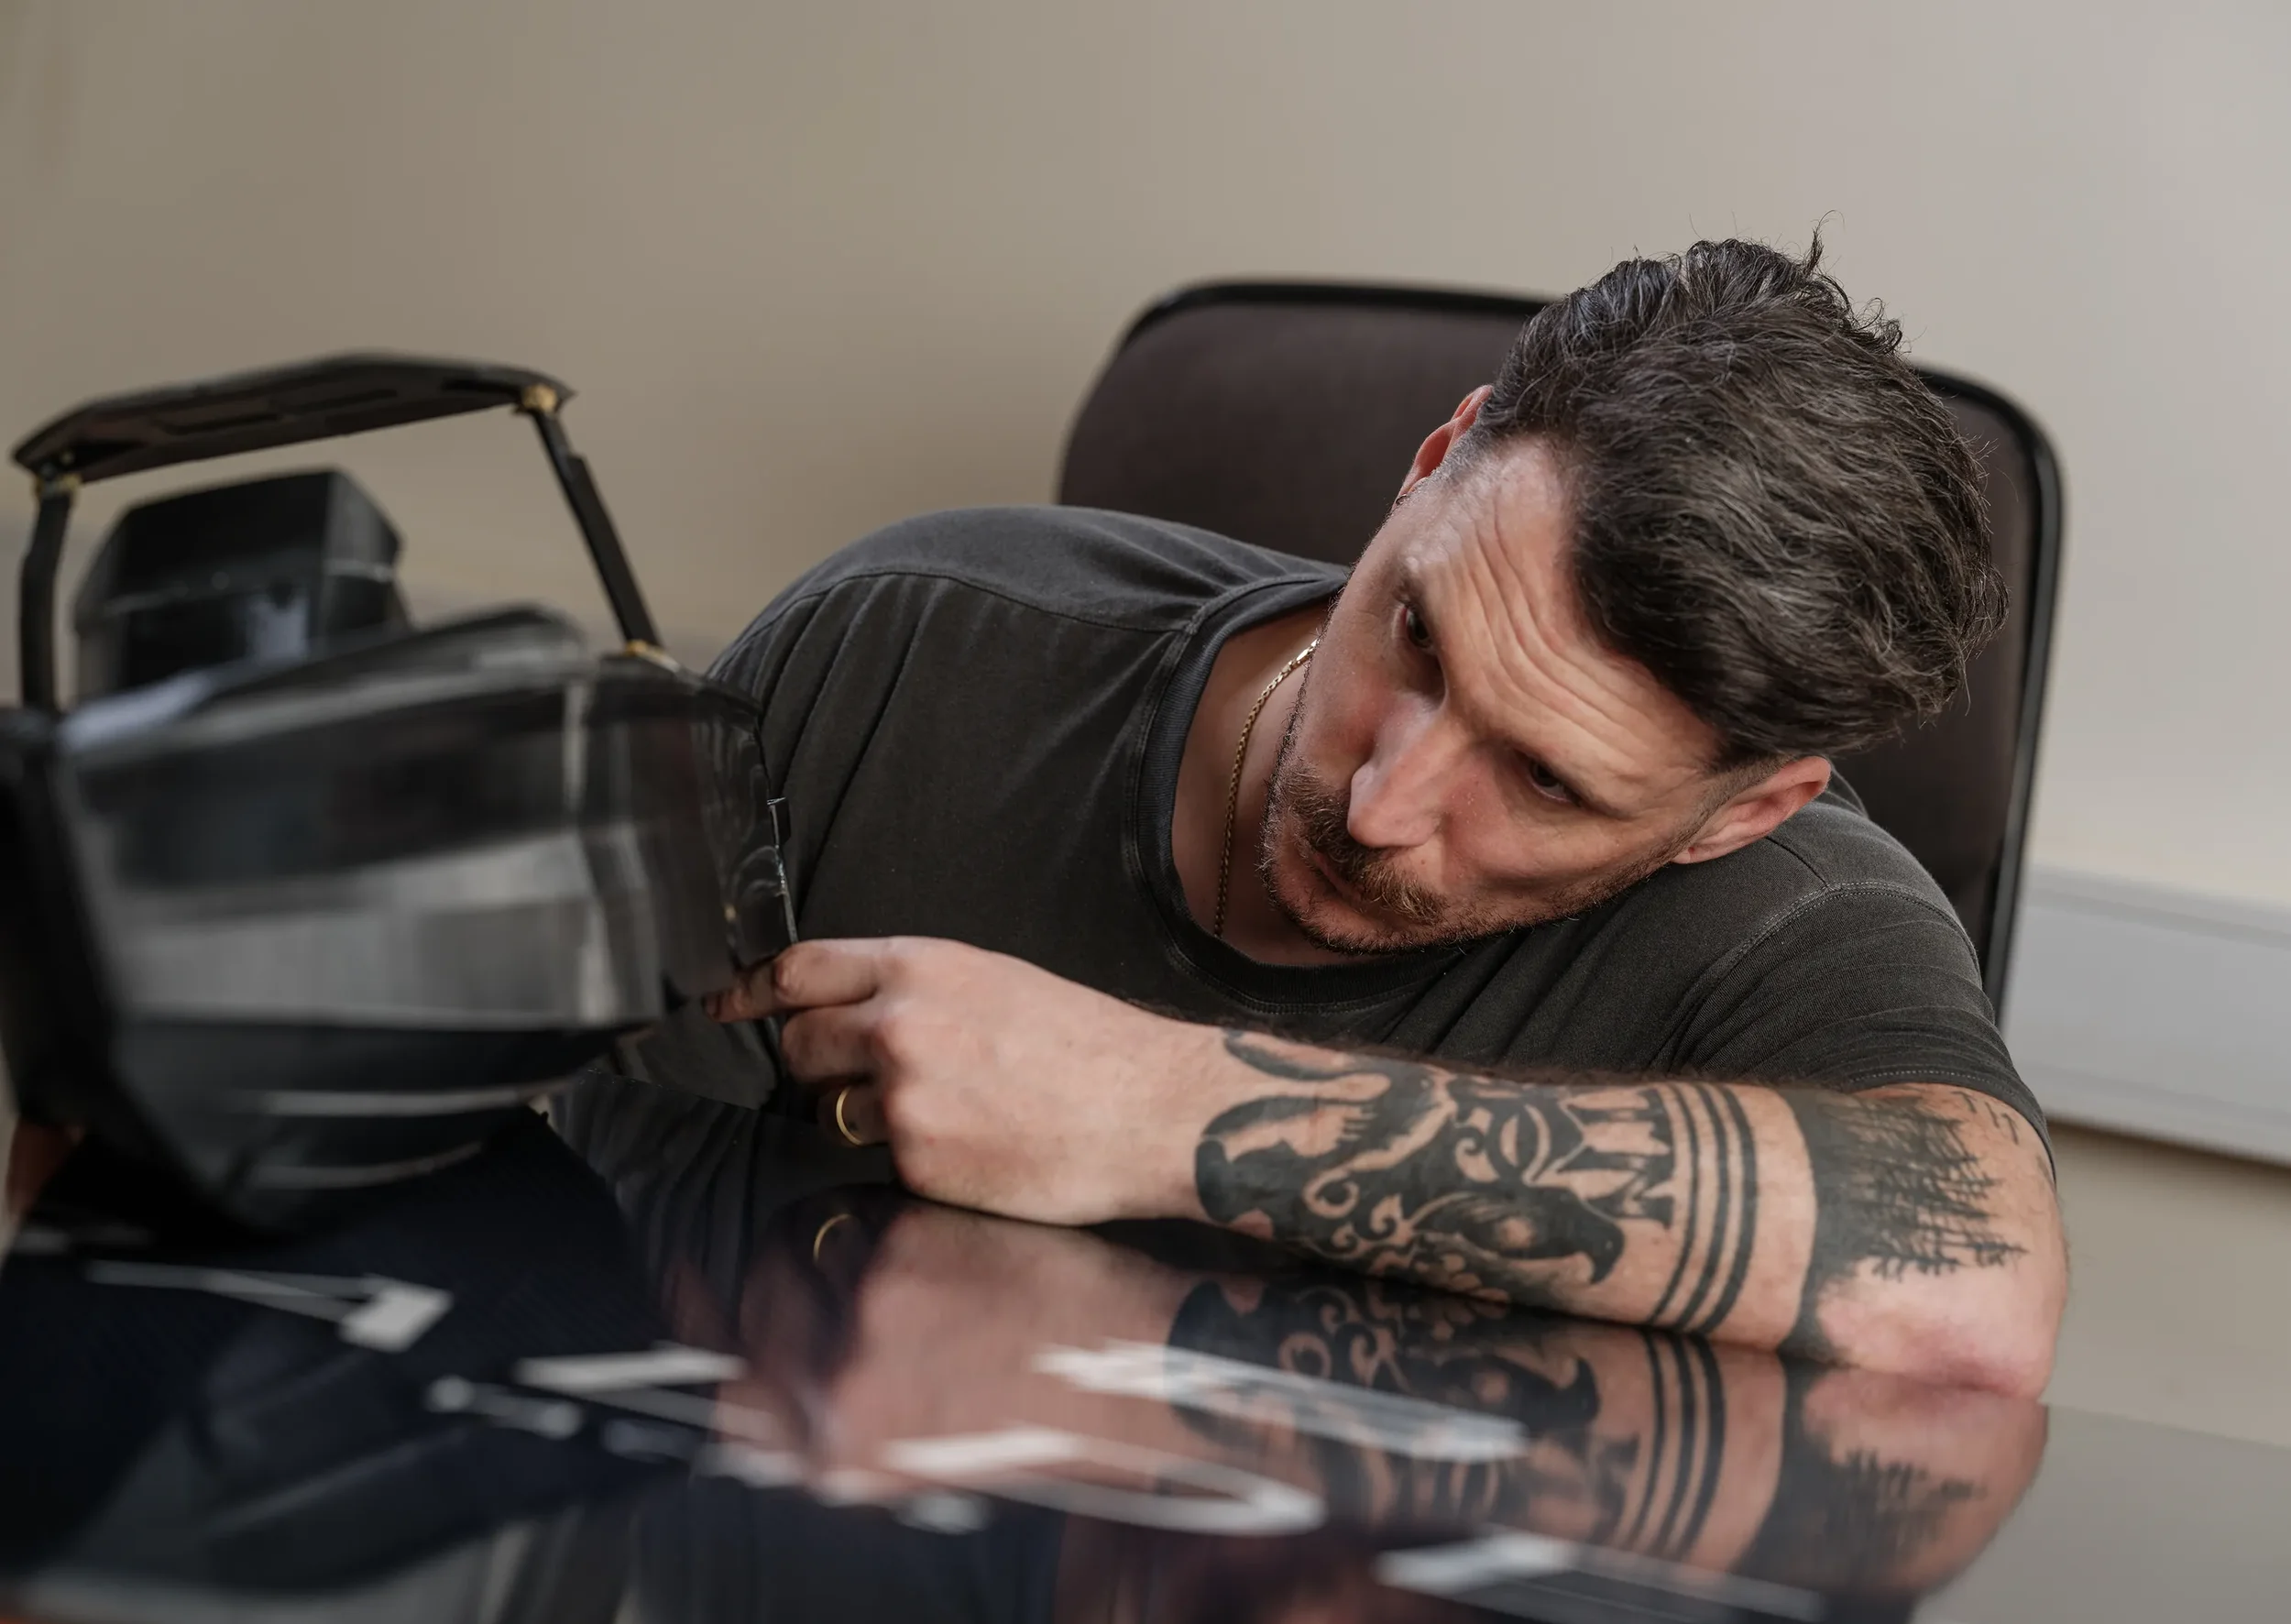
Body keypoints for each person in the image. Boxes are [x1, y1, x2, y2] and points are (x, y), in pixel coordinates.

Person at [694, 236, 2067, 1394]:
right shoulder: (898, 652)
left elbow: (1977, 1277)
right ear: (1438, 457)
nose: (1381, 799)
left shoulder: (1798, 919)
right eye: (1416, 635)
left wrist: (1148, 1105)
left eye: (1543, 781)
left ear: (1740, 810)